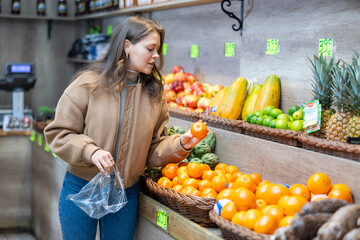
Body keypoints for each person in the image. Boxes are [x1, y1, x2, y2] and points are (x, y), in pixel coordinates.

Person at [44, 16, 206, 240]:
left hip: (125, 192)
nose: (156, 56)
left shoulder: (154, 94)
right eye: (150, 48)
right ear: (127, 46)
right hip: (81, 186)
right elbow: (59, 134)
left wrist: (179, 144)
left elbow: (154, 149)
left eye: (158, 49)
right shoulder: (87, 84)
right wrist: (91, 151)